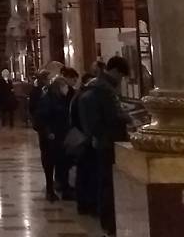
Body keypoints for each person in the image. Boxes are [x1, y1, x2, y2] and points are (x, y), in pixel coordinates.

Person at [76, 56, 130, 234]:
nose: (121, 80)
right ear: (115, 71)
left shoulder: (95, 85)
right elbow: (113, 115)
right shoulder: (105, 89)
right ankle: (109, 221)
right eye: (121, 76)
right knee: (108, 182)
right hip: (109, 139)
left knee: (104, 180)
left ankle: (105, 218)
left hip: (99, 139)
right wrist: (128, 117)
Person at [33, 71, 72, 201]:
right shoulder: (48, 99)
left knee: (63, 163)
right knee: (50, 164)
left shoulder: (60, 99)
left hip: (60, 137)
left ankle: (63, 187)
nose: (67, 88)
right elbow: (42, 119)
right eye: (64, 86)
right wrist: (49, 133)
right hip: (51, 139)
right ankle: (51, 190)